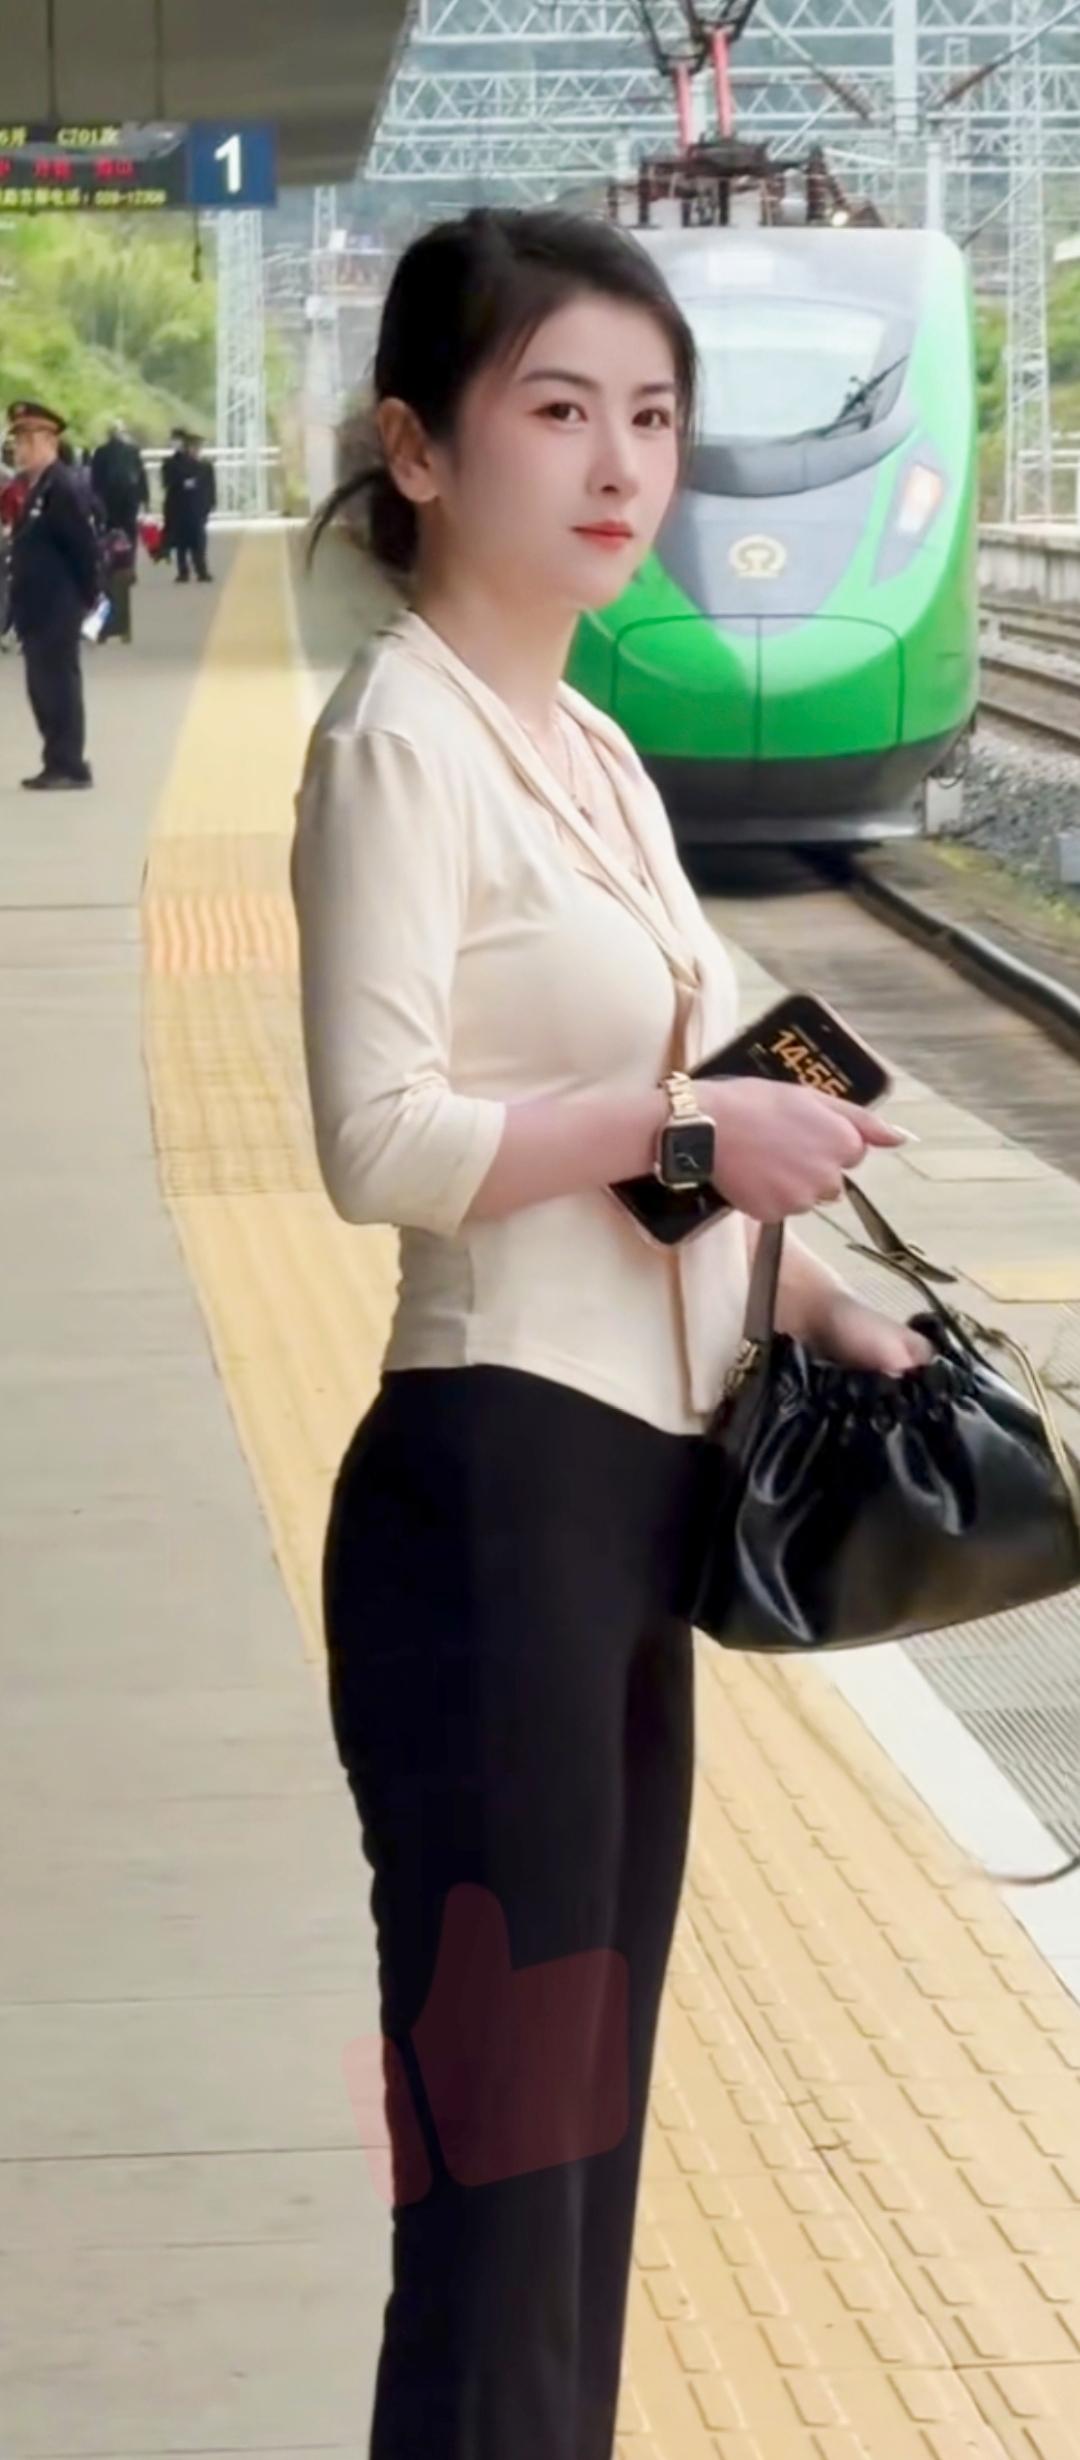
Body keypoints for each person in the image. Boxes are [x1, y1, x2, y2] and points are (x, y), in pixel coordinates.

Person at [291, 207, 929, 2460]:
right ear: (420, 448)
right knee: (502, 2170)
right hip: (492, 1502)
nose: (620, 463)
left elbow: (653, 1167)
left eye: (652, 416)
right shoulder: (400, 739)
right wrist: (690, 1120)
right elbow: (378, 1139)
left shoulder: (590, 747)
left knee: (578, 2148)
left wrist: (824, 1297)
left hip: (631, 1499)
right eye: (557, 409)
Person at [6, 398, 100, 789]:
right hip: (37, 607)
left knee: (58, 687)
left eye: (29, 441)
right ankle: (55, 760)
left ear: (50, 442)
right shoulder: (37, 488)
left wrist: (86, 599)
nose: (21, 449)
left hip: (57, 606)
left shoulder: (62, 487)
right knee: (42, 689)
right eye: (18, 441)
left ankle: (70, 765)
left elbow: (83, 548)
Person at [90, 418, 149, 551]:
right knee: (126, 530)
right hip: (124, 499)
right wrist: (145, 498)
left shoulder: (103, 452)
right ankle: (125, 557)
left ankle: (115, 557)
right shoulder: (130, 451)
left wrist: (95, 499)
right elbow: (141, 476)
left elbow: (95, 479)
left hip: (113, 499)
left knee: (114, 530)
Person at [165, 431, 214, 583]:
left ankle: (201, 570)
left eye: (198, 447)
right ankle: (183, 571)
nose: (196, 450)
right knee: (182, 542)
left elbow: (210, 487)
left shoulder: (205, 466)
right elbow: (169, 484)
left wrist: (210, 504)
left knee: (199, 541)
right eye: (194, 447)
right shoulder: (174, 464)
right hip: (180, 508)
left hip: (198, 508)